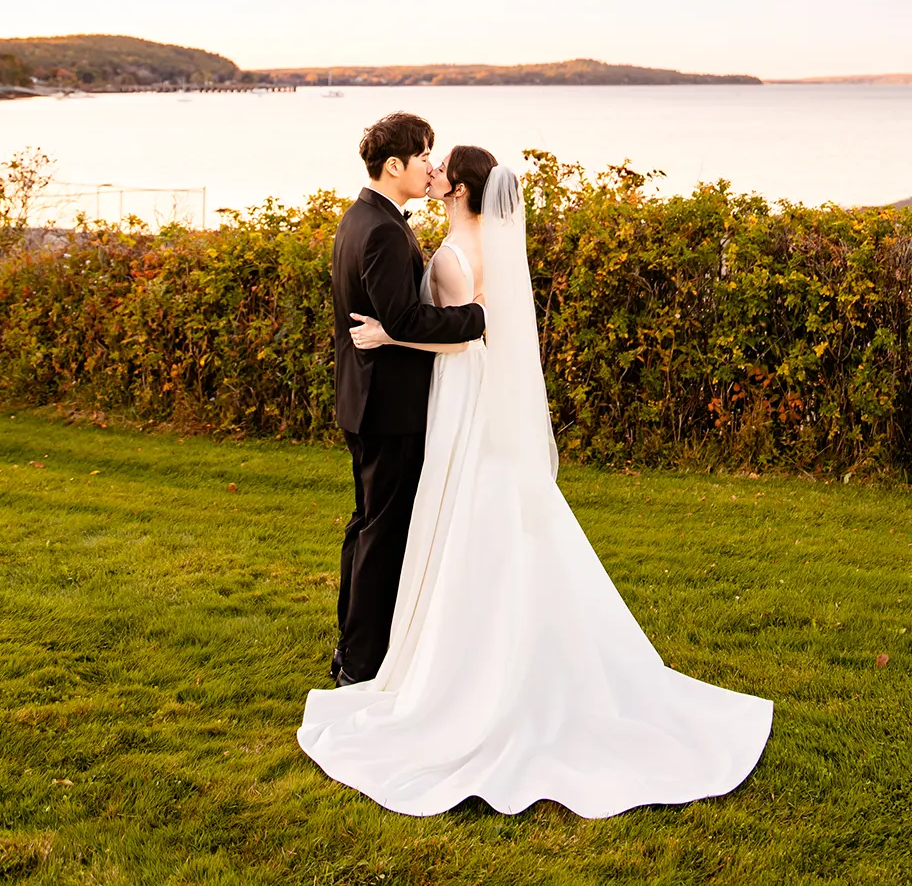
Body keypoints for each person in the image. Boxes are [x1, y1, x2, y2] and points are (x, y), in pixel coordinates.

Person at [300, 147, 774, 817]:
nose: (432, 175)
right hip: (477, 396)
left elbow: (460, 336)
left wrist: (389, 338)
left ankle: (444, 662)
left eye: (441, 171)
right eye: (424, 164)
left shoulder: (451, 254)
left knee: (454, 513)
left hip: (460, 393)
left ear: (458, 188)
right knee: (478, 514)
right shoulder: (481, 244)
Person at [329, 112, 486, 686]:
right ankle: (363, 663)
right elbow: (402, 318)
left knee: (366, 526)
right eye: (423, 156)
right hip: (389, 408)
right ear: (393, 165)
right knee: (383, 534)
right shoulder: (383, 231)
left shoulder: (360, 218)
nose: (429, 166)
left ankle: (351, 649)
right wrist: (478, 317)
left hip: (364, 400)